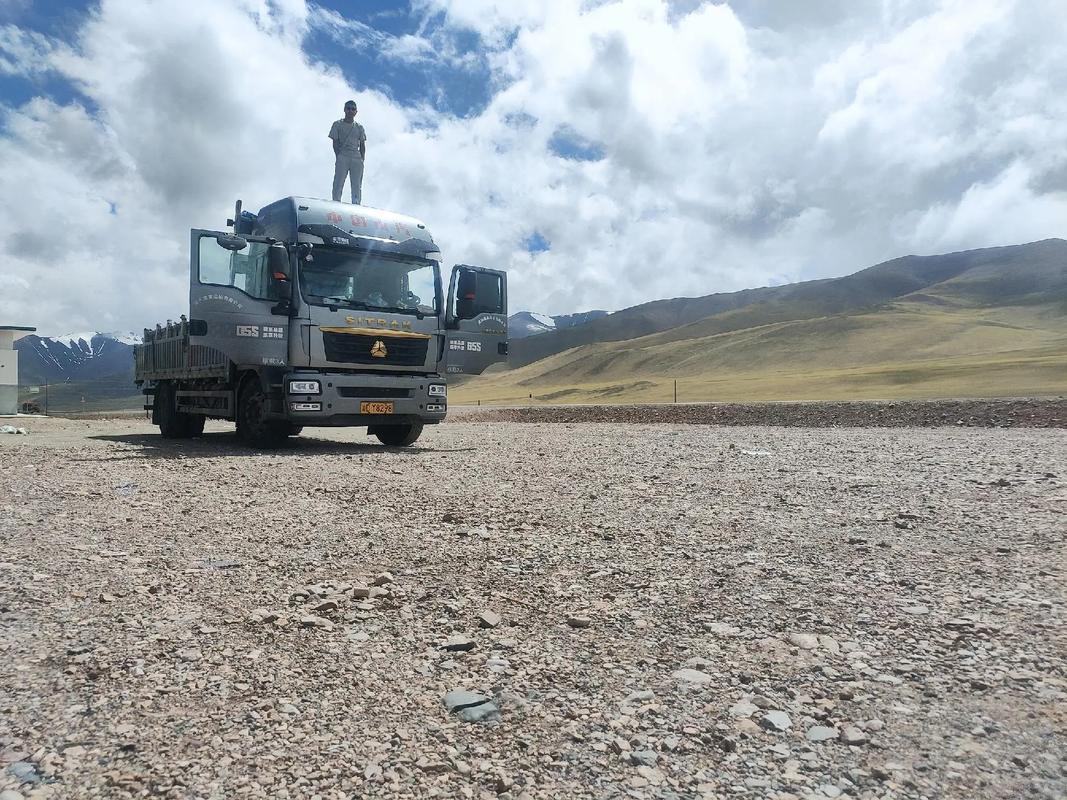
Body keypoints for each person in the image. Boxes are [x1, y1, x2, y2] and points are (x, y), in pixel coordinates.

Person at [329, 100, 366, 204]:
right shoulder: (337, 124)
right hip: (343, 155)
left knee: (356, 185)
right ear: (344, 110)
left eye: (353, 109)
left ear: (356, 112)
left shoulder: (359, 127)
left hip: (356, 157)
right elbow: (335, 142)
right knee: (338, 182)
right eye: (348, 108)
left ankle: (356, 204)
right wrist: (339, 156)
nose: (350, 111)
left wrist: (362, 159)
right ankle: (336, 203)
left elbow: (362, 145)